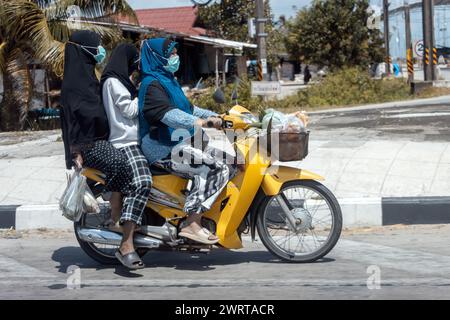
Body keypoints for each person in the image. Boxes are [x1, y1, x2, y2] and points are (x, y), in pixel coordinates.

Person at [60, 31, 144, 269]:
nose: (100, 51)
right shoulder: (73, 85)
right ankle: (115, 218)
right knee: (121, 164)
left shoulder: (88, 77)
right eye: (96, 47)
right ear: (84, 50)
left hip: (100, 140)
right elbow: (69, 124)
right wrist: (74, 154)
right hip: (88, 145)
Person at [138, 38, 231, 245]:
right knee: (216, 169)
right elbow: (168, 115)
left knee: (229, 159)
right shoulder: (150, 84)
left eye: (175, 53)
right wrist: (201, 122)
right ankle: (192, 223)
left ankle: (206, 215)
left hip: (178, 142)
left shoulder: (167, 79)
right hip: (162, 148)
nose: (175, 57)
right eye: (170, 54)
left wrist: (219, 116)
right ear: (157, 57)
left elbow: (188, 109)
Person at [100, 43, 152, 266]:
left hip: (134, 140)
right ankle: (126, 243)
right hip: (125, 142)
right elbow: (130, 110)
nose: (135, 66)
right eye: (133, 61)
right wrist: (143, 91)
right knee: (142, 182)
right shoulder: (113, 82)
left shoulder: (121, 81)